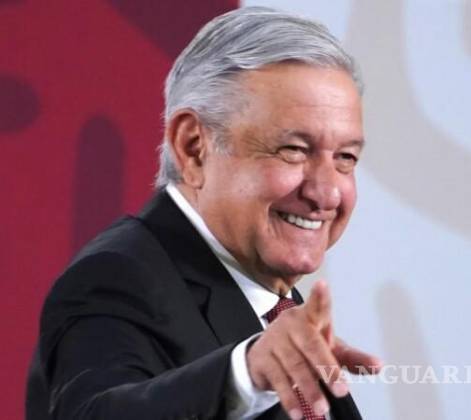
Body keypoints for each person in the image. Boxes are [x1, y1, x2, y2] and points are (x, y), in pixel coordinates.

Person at [26, 6, 382, 420]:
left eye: (345, 157)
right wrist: (244, 375)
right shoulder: (116, 278)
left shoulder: (271, 303)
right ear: (194, 147)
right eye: (294, 150)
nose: (326, 192)